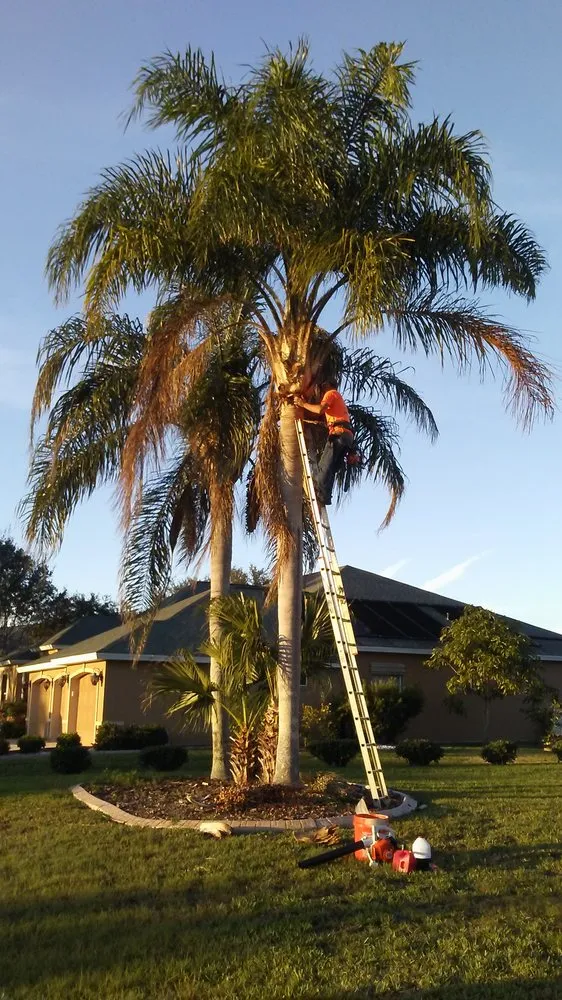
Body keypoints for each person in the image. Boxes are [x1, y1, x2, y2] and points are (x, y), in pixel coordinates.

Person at [294, 378, 354, 505]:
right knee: (331, 468)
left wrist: (302, 404)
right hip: (346, 436)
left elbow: (320, 409)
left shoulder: (331, 393)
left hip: (339, 434)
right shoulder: (338, 399)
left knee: (324, 467)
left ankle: (319, 493)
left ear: (327, 385)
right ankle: (325, 496)